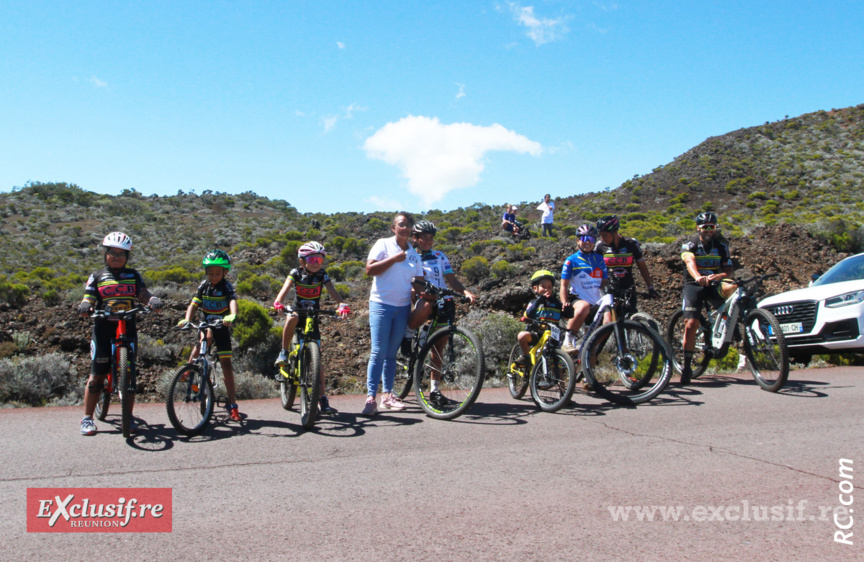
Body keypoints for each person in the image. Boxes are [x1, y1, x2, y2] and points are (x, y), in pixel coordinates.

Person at [78, 232, 163, 436]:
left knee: (130, 373)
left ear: (127, 257)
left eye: (121, 254)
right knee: (97, 373)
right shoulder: (97, 276)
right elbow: (89, 296)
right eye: (112, 253)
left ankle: (128, 415)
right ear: (105, 254)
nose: (116, 257)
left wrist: (151, 300)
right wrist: (85, 305)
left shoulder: (133, 275)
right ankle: (87, 418)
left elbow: (142, 293)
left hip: (128, 326)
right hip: (103, 327)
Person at [403, 220, 477, 406]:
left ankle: (435, 390)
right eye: (424, 238)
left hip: (443, 298)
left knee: (439, 346)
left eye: (431, 238)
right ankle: (409, 333)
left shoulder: (439, 255)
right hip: (424, 296)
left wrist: (465, 292)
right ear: (415, 238)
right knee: (426, 304)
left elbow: (451, 278)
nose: (428, 241)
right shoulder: (410, 256)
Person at [273, 242, 350, 415]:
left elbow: (333, 291)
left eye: (320, 259)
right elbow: (285, 289)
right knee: (291, 316)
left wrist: (341, 304)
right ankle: (284, 352)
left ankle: (322, 397)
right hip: (298, 310)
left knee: (318, 361)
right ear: (302, 261)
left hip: (313, 315)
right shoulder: (295, 273)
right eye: (312, 259)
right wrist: (278, 302)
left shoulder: (322, 275)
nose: (316, 263)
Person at [363, 212, 422, 415]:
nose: (404, 228)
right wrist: (394, 259)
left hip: (403, 307)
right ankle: (370, 397)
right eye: (401, 224)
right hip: (381, 304)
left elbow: (418, 281)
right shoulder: (383, 244)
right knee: (378, 351)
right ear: (393, 228)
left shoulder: (414, 254)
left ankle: (387, 395)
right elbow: (369, 270)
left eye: (408, 225)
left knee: (391, 354)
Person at [178, 250, 242, 421]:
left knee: (226, 364)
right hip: (206, 323)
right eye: (210, 273)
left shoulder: (226, 286)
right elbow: (194, 304)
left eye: (217, 273)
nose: (213, 276)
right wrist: (186, 319)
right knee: (203, 339)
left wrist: (232, 314)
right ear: (206, 272)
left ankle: (233, 404)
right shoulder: (203, 286)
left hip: (221, 326)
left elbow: (232, 301)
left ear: (225, 272)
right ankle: (189, 369)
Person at [679, 212, 734, 385]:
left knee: (732, 286)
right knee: (691, 324)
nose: (709, 230)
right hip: (694, 285)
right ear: (698, 228)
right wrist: (697, 277)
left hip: (713, 283)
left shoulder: (722, 246)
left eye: (712, 226)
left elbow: (729, 272)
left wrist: (719, 277)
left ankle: (729, 324)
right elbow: (689, 262)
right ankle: (687, 366)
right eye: (705, 227)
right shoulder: (690, 244)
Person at [559, 224, 608, 355]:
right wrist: (564, 303)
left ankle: (586, 372)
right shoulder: (571, 260)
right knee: (583, 307)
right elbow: (563, 285)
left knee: (590, 349)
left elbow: (603, 282)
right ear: (578, 241)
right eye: (584, 238)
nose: (587, 242)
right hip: (579, 299)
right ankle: (567, 340)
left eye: (591, 239)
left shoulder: (599, 259)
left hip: (596, 302)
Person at [595, 215, 659, 313]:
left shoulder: (631, 243)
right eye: (600, 235)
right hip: (608, 289)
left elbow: (642, 267)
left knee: (630, 317)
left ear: (614, 232)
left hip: (628, 288)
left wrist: (650, 287)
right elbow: (595, 269)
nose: (602, 238)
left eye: (605, 235)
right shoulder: (600, 246)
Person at [515, 270, 573, 367]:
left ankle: (561, 381)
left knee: (556, 363)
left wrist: (568, 310)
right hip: (537, 334)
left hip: (552, 336)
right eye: (543, 287)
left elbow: (566, 318)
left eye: (549, 287)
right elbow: (528, 314)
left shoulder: (556, 303)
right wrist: (539, 301)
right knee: (521, 336)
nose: (547, 289)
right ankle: (526, 357)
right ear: (535, 288)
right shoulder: (534, 302)